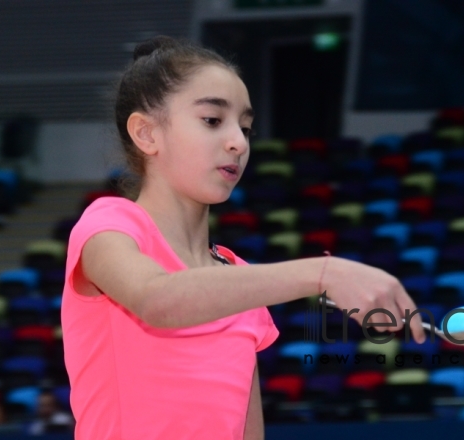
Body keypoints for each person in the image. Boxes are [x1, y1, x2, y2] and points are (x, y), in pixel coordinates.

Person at [61, 35, 425, 440]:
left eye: (246, 128)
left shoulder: (237, 280)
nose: (238, 142)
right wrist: (323, 273)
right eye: (213, 120)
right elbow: (156, 298)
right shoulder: (110, 225)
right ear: (146, 134)